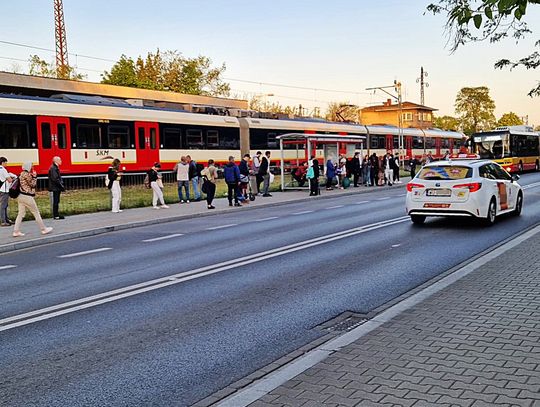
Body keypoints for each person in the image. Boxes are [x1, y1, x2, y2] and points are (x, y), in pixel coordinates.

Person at [13, 162, 53, 237]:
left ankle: (16, 231)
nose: (33, 168)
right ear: (28, 167)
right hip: (27, 196)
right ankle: (43, 229)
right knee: (36, 212)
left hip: (20, 196)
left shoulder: (21, 173)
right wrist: (35, 177)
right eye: (32, 166)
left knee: (20, 214)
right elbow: (33, 184)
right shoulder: (27, 174)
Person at [0, 157, 15, 226]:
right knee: (3, 206)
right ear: (2, 162)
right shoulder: (3, 170)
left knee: (4, 205)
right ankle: (3, 221)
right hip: (5, 190)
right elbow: (9, 180)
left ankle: (6, 219)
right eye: (6, 162)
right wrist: (13, 177)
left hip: (1, 189)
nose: (6, 164)